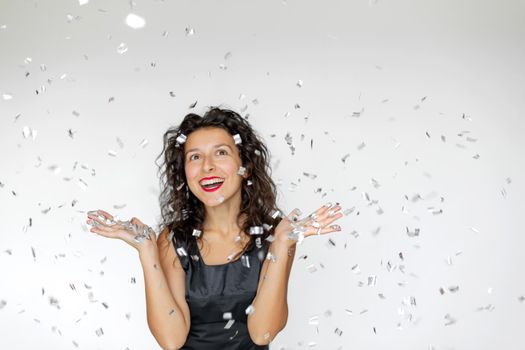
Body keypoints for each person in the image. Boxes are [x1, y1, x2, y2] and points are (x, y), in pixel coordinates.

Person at [85, 107, 343, 349]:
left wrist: (282, 244)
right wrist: (147, 251)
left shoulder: (276, 236)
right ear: (184, 172)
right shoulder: (174, 240)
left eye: (221, 152)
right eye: (195, 157)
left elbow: (262, 332)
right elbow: (171, 341)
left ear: (245, 167)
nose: (207, 166)